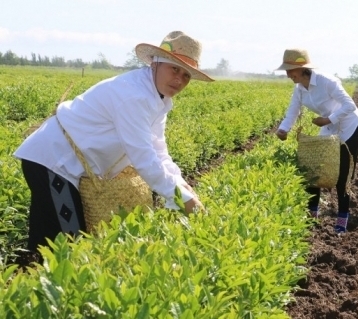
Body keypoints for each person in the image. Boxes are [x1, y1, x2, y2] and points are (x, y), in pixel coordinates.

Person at [14, 31, 211, 255]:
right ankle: (39, 281)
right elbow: (144, 158)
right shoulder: (135, 96)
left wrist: (182, 186)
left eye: (186, 75)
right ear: (156, 62)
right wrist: (183, 200)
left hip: (58, 162)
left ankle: (34, 277)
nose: (179, 79)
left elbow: (159, 150)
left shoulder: (157, 97)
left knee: (52, 237)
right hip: (53, 160)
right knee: (67, 245)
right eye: (174, 69)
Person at [275, 49, 358, 233]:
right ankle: (312, 215)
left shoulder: (327, 82)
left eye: (290, 70)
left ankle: (342, 219)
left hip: (349, 126)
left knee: (344, 174)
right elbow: (292, 112)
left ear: (303, 69)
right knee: (315, 169)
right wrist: (283, 129)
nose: (288, 74)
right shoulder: (299, 89)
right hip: (329, 125)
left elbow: (350, 105)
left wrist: (328, 119)